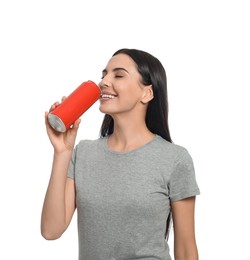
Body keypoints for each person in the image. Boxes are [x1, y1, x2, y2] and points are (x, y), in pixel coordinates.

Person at [41, 48, 200, 260]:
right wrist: (62, 152)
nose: (104, 82)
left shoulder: (175, 159)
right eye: (104, 74)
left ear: (147, 93)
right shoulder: (84, 153)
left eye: (118, 75)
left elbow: (186, 249)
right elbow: (51, 230)